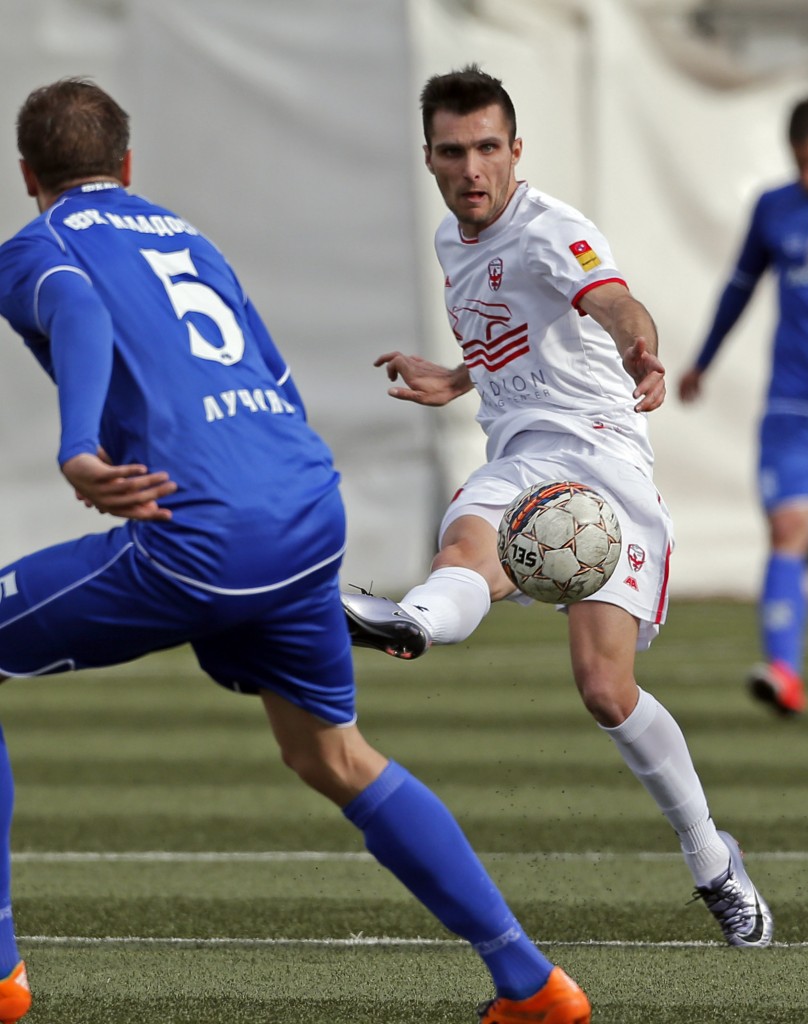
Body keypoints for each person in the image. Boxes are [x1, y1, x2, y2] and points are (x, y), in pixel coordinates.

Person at [0, 78, 598, 1024]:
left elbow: (75, 308)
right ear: (127, 164)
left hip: (203, 533)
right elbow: (269, 376)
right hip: (306, 511)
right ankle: (531, 981)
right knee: (332, 755)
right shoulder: (187, 239)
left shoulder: (40, 245)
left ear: (26, 173)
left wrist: (79, 445)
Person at [342, 65, 773, 954]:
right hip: (518, 457)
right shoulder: (450, 238)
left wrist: (641, 349)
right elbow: (519, 328)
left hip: (603, 462)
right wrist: (457, 376)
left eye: (487, 148)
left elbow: (608, 301)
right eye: (453, 152)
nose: (472, 169)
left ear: (515, 150)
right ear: (428, 157)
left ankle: (711, 858)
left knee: (605, 690)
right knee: (463, 550)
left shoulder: (552, 229)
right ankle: (414, 623)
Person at [678, 97, 808, 726]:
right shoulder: (774, 208)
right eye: (802, 166)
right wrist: (702, 361)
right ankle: (783, 672)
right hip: (796, 403)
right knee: (789, 526)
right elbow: (739, 287)